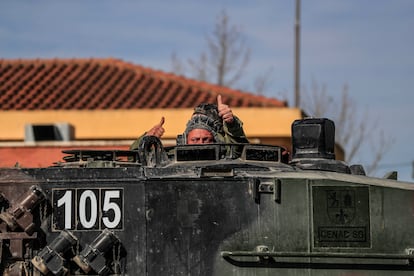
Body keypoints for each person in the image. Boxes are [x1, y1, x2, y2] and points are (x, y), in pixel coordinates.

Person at [130, 94, 248, 150]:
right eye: (195, 140)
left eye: (206, 140)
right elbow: (134, 160)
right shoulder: (172, 158)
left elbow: (238, 147)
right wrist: (146, 140)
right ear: (185, 139)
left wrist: (231, 124)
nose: (200, 145)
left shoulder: (226, 155)